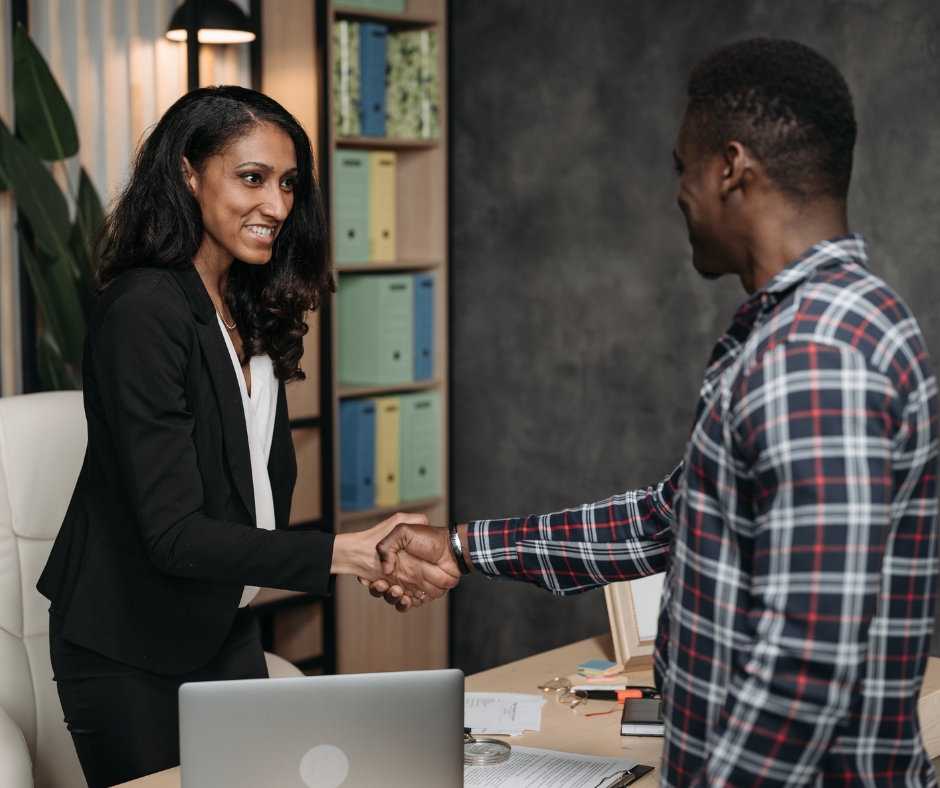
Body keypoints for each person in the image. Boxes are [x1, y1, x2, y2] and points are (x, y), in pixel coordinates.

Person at [369, 39, 940, 788]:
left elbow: (806, 670)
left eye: (683, 166)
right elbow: (665, 519)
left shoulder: (816, 356)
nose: (678, 192)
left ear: (731, 167)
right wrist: (463, 546)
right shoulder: (821, 326)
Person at [37, 86, 457, 788]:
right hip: (127, 644)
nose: (278, 204)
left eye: (289, 183)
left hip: (218, 621)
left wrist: (360, 560)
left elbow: (247, 493)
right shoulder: (144, 312)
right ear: (187, 173)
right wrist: (348, 554)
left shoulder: (240, 303)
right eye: (252, 178)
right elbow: (172, 534)